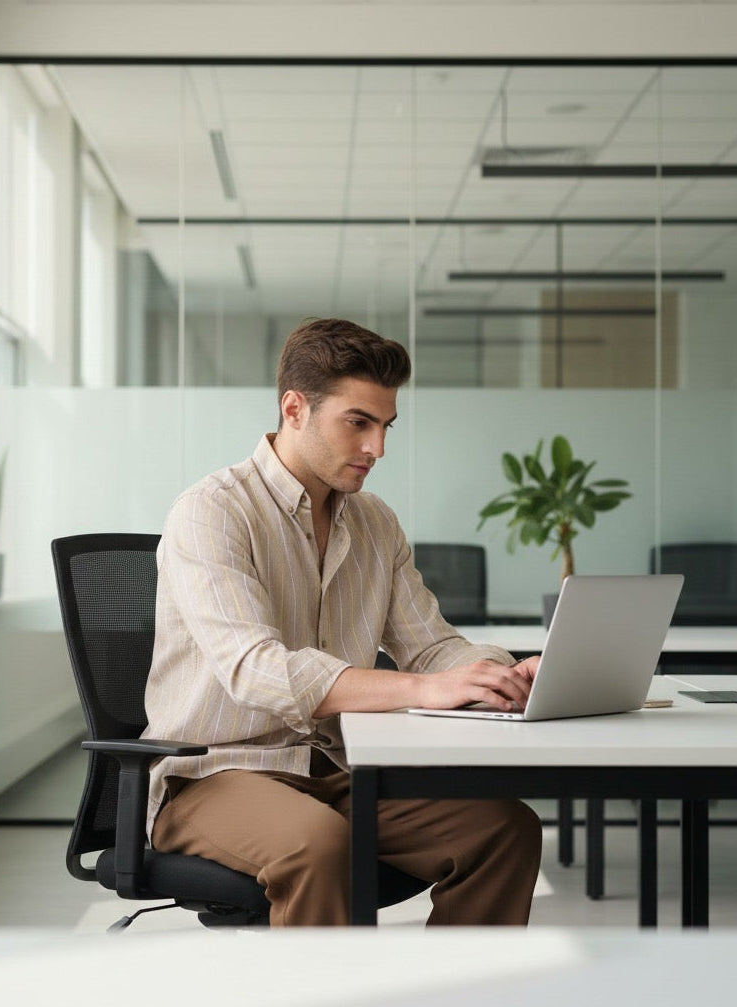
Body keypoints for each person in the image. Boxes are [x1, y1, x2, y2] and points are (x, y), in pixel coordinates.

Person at [143, 317, 542, 926]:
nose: (376, 449)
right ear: (295, 409)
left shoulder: (375, 522)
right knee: (320, 846)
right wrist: (421, 689)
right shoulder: (212, 511)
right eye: (358, 423)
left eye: (385, 427)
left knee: (503, 829)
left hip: (336, 770)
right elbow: (256, 670)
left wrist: (498, 675)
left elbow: (429, 646)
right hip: (215, 773)